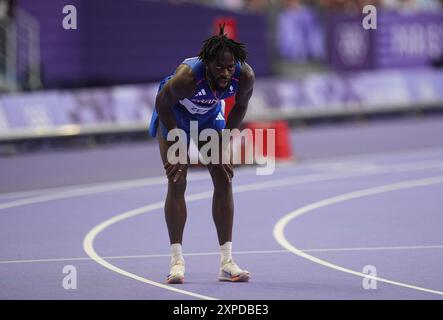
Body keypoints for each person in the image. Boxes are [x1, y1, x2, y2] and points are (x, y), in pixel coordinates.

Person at [149, 25, 255, 284]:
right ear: (207, 64)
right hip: (176, 114)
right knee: (177, 178)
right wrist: (178, 145)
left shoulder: (244, 76)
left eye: (230, 68)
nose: (226, 73)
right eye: (220, 68)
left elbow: (239, 107)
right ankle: (176, 262)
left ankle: (227, 262)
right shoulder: (187, 78)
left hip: (208, 115)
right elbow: (162, 103)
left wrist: (224, 143)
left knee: (223, 175)